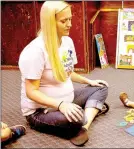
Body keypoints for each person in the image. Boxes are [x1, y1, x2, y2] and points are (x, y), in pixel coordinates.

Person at [18, 1, 109, 146]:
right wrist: (60, 105)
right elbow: (31, 92)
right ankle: (85, 116)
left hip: (67, 100)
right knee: (78, 118)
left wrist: (88, 82)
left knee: (101, 87)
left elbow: (67, 72)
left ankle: (84, 126)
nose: (70, 24)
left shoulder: (67, 42)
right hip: (41, 111)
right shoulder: (34, 51)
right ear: (49, 23)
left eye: (70, 19)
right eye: (63, 21)